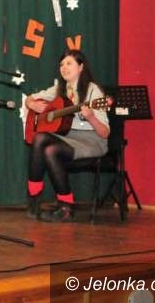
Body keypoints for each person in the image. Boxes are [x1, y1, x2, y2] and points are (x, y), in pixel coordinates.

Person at [24, 49, 110, 223]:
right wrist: (32, 104)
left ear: (81, 67)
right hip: (69, 137)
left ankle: (64, 207)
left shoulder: (93, 91)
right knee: (41, 139)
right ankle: (37, 198)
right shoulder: (59, 89)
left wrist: (91, 117)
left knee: (48, 149)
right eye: (61, 64)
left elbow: (105, 132)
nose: (64, 67)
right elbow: (29, 99)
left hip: (93, 140)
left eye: (69, 63)